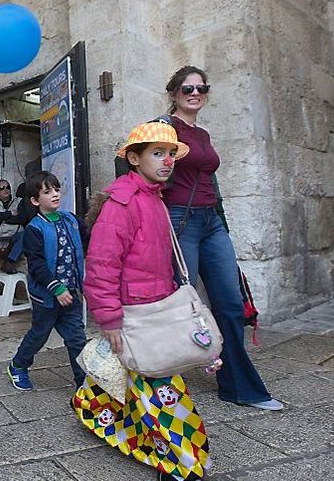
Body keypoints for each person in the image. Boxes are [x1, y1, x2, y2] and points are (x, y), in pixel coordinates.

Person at [78, 120, 210, 481]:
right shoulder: (122, 202)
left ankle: (94, 410)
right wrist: (109, 319)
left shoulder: (155, 198)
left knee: (141, 379)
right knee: (161, 389)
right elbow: (102, 265)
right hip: (135, 312)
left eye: (170, 154)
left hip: (155, 307)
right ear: (134, 158)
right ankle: (183, 463)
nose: (167, 161)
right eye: (157, 153)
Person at [162, 66, 282, 411]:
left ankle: (239, 387)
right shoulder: (165, 127)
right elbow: (137, 166)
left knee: (230, 303)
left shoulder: (202, 133)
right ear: (174, 93)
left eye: (202, 87)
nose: (195, 93)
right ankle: (162, 387)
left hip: (211, 222)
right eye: (187, 88)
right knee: (180, 305)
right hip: (180, 222)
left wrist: (222, 222)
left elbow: (210, 183)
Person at [6, 171, 87, 391]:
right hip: (47, 298)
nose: (55, 194)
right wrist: (56, 288)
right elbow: (37, 265)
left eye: (57, 189)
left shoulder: (71, 220)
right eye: (47, 191)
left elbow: (88, 242)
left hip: (70, 294)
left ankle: (83, 384)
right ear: (35, 200)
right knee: (39, 335)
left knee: (77, 338)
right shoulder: (34, 229)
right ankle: (18, 365)